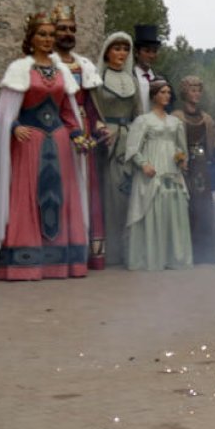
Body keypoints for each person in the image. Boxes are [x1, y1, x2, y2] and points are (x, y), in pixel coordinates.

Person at [0, 15, 89, 280]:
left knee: (59, 195)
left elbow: (67, 111)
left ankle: (59, 263)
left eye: (50, 35)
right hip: (28, 141)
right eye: (41, 34)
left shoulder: (61, 71)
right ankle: (25, 262)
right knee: (27, 195)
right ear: (31, 38)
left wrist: (77, 134)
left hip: (59, 141)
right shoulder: (20, 69)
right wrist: (14, 126)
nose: (47, 39)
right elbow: (4, 112)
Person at [52, 3, 107, 269]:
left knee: (87, 189)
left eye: (72, 29)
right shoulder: (45, 64)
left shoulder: (83, 64)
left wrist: (98, 126)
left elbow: (91, 104)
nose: (68, 33)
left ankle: (85, 251)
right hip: (57, 133)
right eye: (62, 28)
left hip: (83, 131)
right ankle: (59, 249)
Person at [124, 79, 193, 271]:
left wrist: (182, 159)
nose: (167, 96)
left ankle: (174, 257)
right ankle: (151, 257)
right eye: (162, 92)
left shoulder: (175, 122)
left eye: (169, 92)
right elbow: (132, 147)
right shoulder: (143, 120)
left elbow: (181, 147)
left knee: (173, 210)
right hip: (152, 169)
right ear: (154, 95)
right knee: (152, 208)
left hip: (172, 170)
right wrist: (143, 164)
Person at [90, 32, 143, 266]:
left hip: (129, 140)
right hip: (107, 140)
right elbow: (92, 110)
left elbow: (139, 114)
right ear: (107, 51)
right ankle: (109, 251)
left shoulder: (132, 80)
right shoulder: (98, 79)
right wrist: (100, 130)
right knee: (109, 195)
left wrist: (139, 140)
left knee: (129, 193)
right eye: (116, 48)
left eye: (125, 49)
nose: (121, 53)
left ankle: (129, 250)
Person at [172, 75, 215, 263]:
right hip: (183, 164)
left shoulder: (206, 118)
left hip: (201, 165)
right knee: (185, 204)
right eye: (193, 90)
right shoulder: (176, 117)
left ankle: (205, 250)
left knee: (203, 204)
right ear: (185, 92)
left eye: (199, 90)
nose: (197, 94)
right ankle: (187, 250)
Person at [132, 24, 163, 103]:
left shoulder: (161, 79)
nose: (152, 55)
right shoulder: (129, 78)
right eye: (147, 51)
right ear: (136, 52)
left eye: (154, 51)